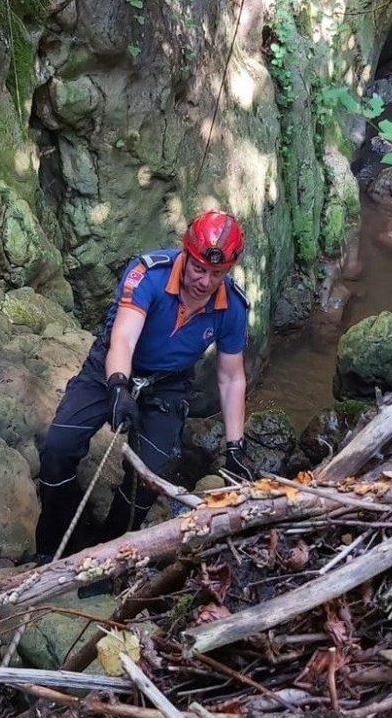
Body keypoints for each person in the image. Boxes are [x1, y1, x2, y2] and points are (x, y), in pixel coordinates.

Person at [35, 208, 254, 559]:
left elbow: (231, 377)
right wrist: (118, 385)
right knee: (59, 446)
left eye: (217, 273)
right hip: (113, 365)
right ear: (186, 253)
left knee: (148, 476)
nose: (204, 281)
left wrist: (235, 447)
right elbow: (123, 337)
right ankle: (53, 541)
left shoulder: (233, 307)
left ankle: (110, 552)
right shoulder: (149, 274)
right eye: (199, 268)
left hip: (168, 384)